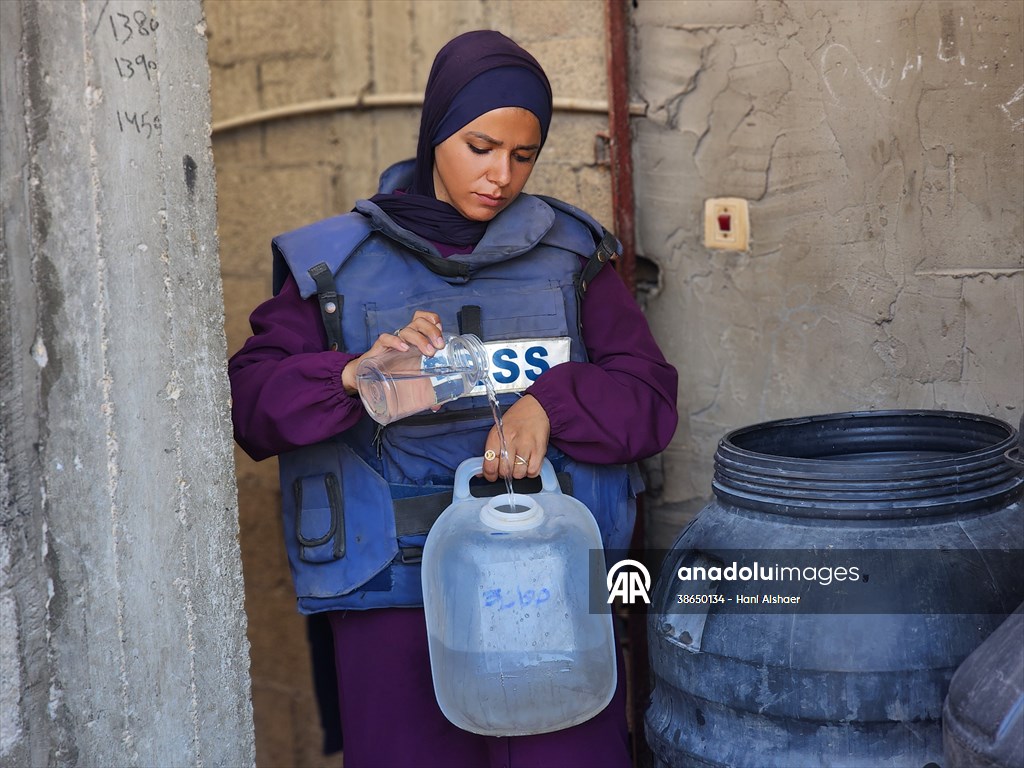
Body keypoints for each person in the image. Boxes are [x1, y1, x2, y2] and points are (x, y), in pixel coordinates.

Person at [229, 29, 678, 768]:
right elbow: (252, 404)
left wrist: (551, 403)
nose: (500, 175)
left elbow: (650, 399)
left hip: (550, 591)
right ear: (438, 128)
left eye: (522, 155)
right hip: (392, 598)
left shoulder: (575, 262)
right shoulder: (333, 266)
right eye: (479, 146)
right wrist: (351, 375)